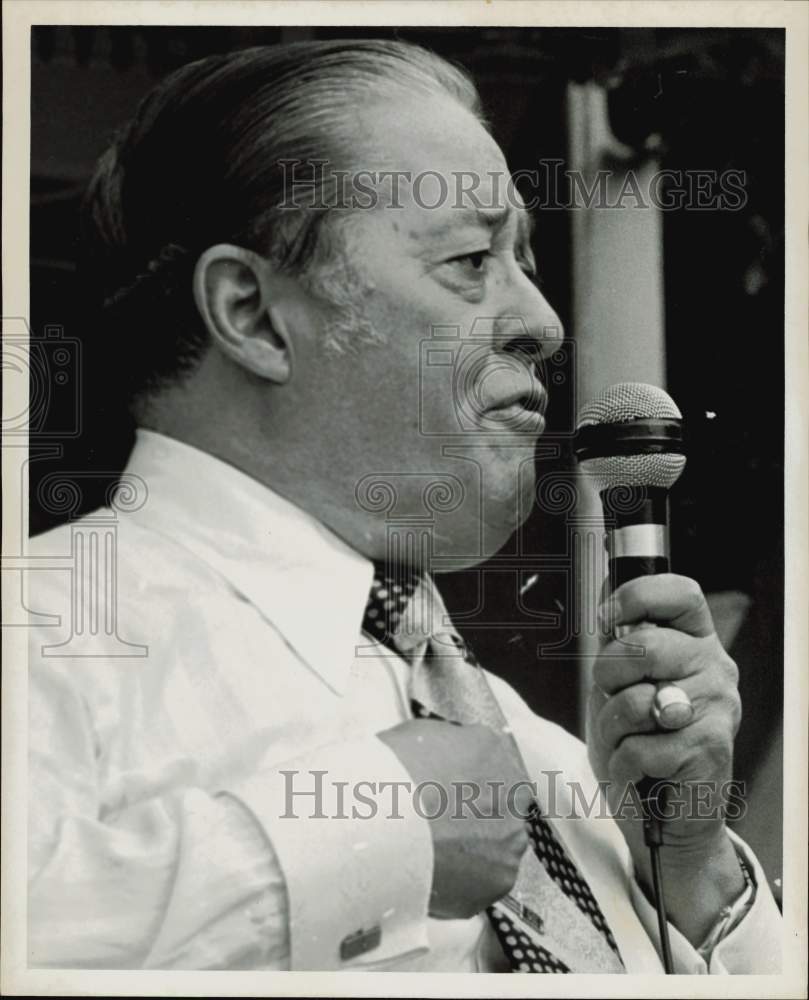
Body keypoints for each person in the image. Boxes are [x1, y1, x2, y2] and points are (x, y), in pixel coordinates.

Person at [27, 39, 781, 973]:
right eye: (471, 259)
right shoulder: (41, 634)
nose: (542, 321)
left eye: (527, 257)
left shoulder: (540, 752)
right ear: (253, 314)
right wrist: (373, 834)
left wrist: (694, 873)